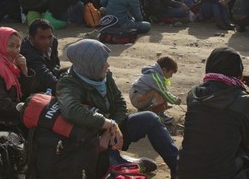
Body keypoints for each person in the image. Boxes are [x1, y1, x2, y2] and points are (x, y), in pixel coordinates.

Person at [57, 39, 179, 177]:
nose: (107, 65)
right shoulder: (68, 83)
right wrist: (108, 125)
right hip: (91, 141)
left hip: (113, 132)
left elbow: (120, 104)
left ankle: (179, 168)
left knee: (150, 118)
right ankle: (120, 163)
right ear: (90, 64)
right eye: (103, 62)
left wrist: (112, 128)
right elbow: (72, 111)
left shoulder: (105, 76)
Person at [178, 47, 249, 179]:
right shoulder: (243, 101)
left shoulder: (194, 94)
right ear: (238, 70)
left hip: (185, 172)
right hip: (223, 174)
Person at [129, 55, 181, 123]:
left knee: (160, 91)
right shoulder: (155, 77)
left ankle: (144, 110)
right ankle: (159, 115)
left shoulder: (153, 72)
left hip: (137, 95)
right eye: (171, 73)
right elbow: (164, 92)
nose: (171, 76)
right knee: (158, 92)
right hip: (137, 99)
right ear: (164, 69)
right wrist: (175, 100)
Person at [20, 19, 62, 94]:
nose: (47, 42)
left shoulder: (54, 41)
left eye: (50, 37)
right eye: (42, 38)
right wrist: (66, 90)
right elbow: (44, 76)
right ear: (31, 38)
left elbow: (56, 63)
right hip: (37, 85)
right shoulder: (27, 52)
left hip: (51, 74)